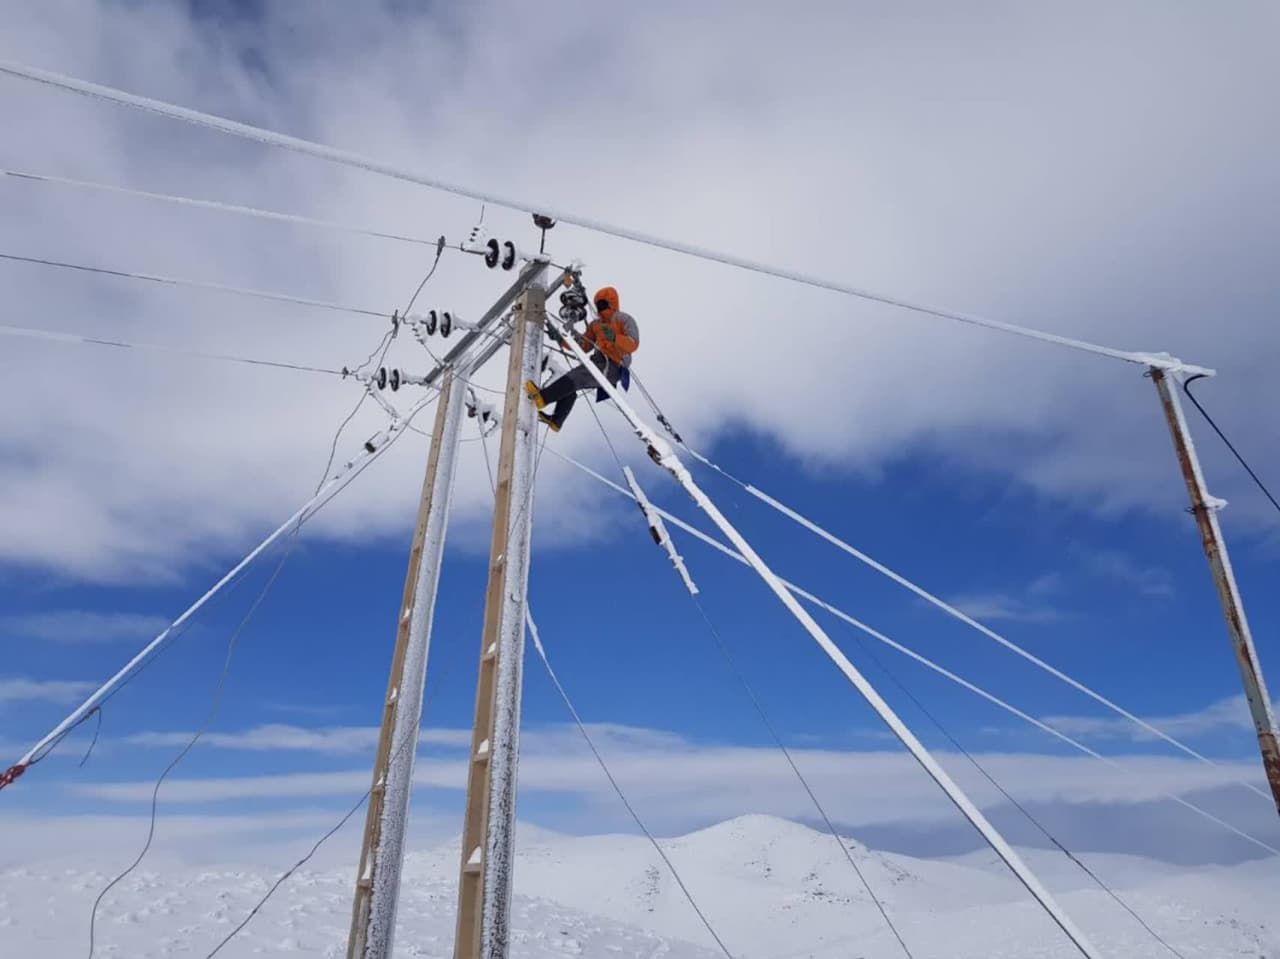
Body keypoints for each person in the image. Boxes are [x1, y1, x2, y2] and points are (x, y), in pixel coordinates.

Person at [525, 286, 639, 432]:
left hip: (614, 366)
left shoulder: (623, 319)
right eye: (598, 305)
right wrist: (561, 339)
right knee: (572, 381)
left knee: (576, 378)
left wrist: (615, 338)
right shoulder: (595, 325)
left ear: (612, 303)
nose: (600, 308)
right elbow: (583, 346)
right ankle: (557, 420)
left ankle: (543, 398)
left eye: (603, 304)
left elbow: (633, 343)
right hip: (596, 361)